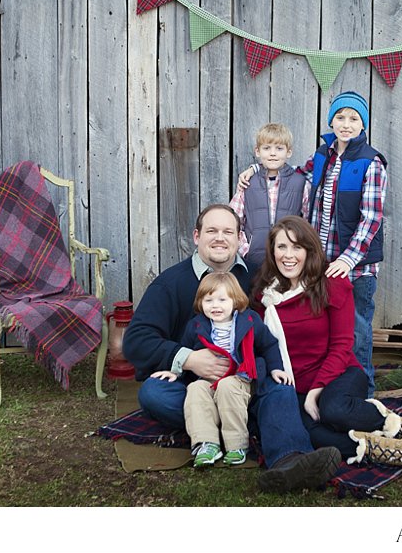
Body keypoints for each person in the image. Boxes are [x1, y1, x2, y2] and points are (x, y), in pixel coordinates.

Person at [123, 204, 341, 492]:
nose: (220, 238)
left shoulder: (259, 278)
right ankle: (254, 426)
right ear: (196, 236)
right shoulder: (171, 283)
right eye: (211, 231)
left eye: (228, 231)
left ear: (240, 239)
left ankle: (290, 460)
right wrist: (188, 360)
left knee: (280, 384)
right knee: (153, 393)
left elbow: (296, 308)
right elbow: (136, 339)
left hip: (247, 382)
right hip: (197, 388)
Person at [252, 216, 402, 476]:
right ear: (272, 252)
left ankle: (399, 426)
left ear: (310, 250)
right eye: (282, 247)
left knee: (333, 410)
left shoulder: (331, 283)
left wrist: (315, 392)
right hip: (294, 385)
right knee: (311, 433)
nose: (289, 255)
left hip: (339, 374)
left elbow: (342, 346)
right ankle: (396, 451)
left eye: (297, 247)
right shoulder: (265, 295)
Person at [239, 92, 387, 396]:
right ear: (331, 121)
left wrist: (348, 259)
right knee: (326, 326)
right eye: (341, 117)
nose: (346, 124)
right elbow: (290, 173)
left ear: (363, 124)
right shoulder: (322, 155)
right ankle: (323, 386)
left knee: (357, 330)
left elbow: (371, 217)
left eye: (354, 119)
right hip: (322, 262)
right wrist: (255, 170)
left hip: (354, 266)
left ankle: (365, 393)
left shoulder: (371, 163)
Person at [151, 271, 293, 468]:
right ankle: (206, 443)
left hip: (241, 377)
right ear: (200, 303)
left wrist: (276, 368)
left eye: (222, 299)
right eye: (208, 300)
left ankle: (237, 446)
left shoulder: (249, 320)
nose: (215, 306)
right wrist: (175, 371)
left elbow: (268, 344)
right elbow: (186, 350)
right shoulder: (197, 325)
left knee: (227, 386)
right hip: (209, 378)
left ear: (235, 300)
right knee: (195, 390)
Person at [229, 123, 310, 269]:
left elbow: (308, 221)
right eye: (267, 148)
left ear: (288, 152)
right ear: (258, 151)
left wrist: (299, 248)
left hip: (289, 260)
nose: (273, 153)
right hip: (254, 260)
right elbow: (233, 219)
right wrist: (245, 249)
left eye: (279, 148)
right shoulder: (248, 183)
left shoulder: (300, 183)